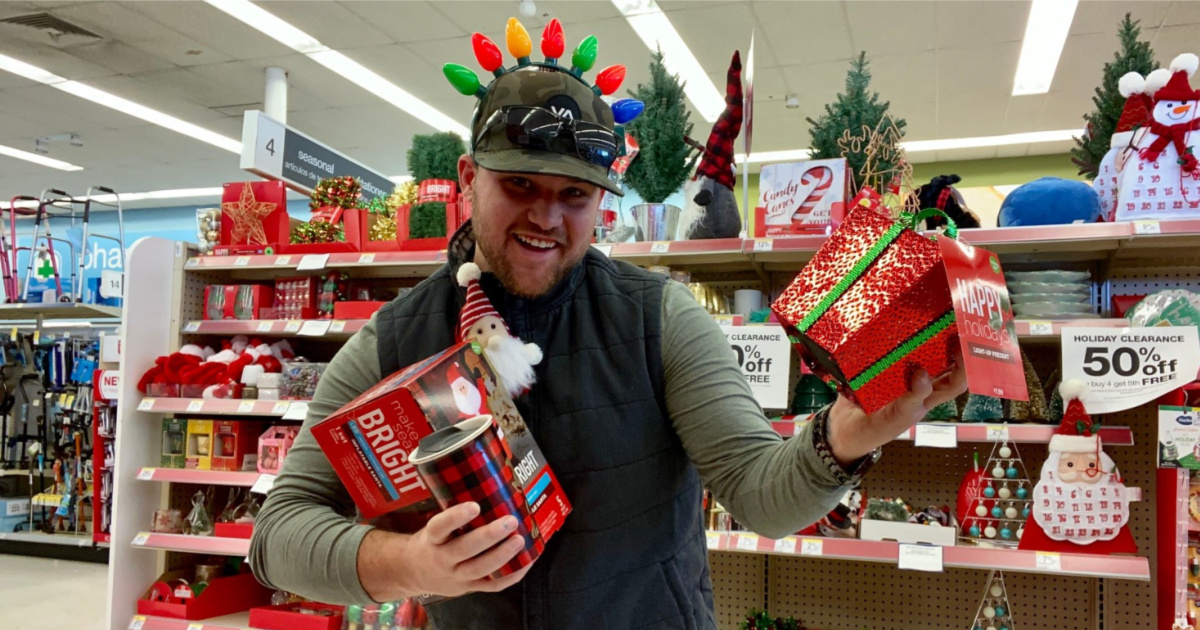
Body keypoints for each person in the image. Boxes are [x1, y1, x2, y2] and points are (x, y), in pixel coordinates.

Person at [249, 64, 967, 629]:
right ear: (470, 180)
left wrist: (841, 440)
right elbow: (276, 537)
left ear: (604, 200)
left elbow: (759, 498)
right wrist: (409, 564)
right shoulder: (395, 338)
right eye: (520, 185)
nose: (545, 217)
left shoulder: (659, 319)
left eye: (574, 196)